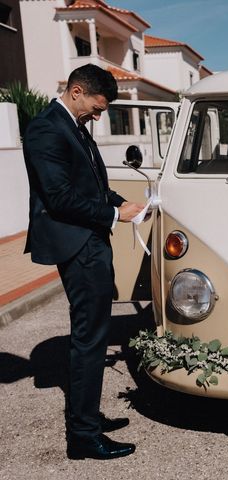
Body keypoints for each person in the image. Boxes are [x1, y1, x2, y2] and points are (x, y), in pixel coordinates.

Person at [23, 64, 144, 459]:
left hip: (91, 239)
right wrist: (114, 216)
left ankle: (87, 416)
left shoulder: (74, 125)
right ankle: (83, 436)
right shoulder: (46, 128)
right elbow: (58, 198)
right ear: (76, 91)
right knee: (89, 340)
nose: (99, 115)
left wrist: (119, 202)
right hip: (76, 244)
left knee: (92, 334)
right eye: (97, 106)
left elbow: (91, 184)